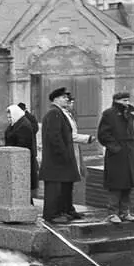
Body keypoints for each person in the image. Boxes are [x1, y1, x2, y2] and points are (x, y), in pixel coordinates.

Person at [39, 87, 96, 224]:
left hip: (60, 160)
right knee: (54, 189)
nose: (67, 99)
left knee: (62, 187)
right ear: (56, 99)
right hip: (55, 161)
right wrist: (64, 154)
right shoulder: (54, 114)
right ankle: (52, 215)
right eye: (64, 97)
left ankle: (63, 211)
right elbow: (55, 138)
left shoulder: (59, 113)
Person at [96, 91, 134, 223]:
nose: (127, 103)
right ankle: (112, 213)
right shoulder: (109, 114)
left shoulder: (130, 114)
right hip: (116, 154)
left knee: (128, 183)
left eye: (127, 100)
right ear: (117, 100)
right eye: (124, 101)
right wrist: (115, 148)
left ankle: (125, 212)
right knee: (116, 184)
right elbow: (103, 135)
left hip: (129, 152)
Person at [4, 104, 38, 200]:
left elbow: (23, 146)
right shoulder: (16, 124)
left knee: (22, 187)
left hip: (20, 162)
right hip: (14, 161)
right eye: (8, 117)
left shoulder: (23, 125)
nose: (9, 119)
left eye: (10, 117)